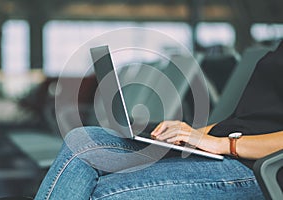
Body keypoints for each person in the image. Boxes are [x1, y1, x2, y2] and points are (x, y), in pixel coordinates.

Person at [35, 41, 283, 200]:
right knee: (81, 141)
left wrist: (223, 145)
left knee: (105, 193)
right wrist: (193, 134)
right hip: (228, 149)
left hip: (258, 167)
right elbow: (249, 118)